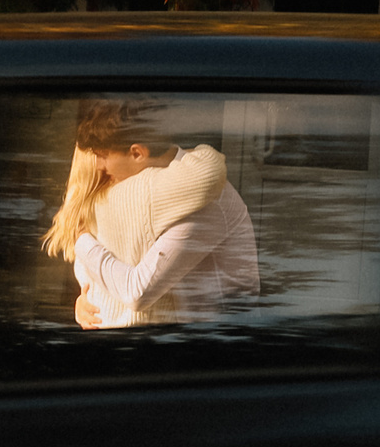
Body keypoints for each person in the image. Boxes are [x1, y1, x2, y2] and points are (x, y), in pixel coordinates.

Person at [40, 101, 258, 326]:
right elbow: (105, 256)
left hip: (214, 344)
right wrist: (87, 297)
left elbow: (137, 293)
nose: (99, 166)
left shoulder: (199, 197)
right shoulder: (136, 192)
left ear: (136, 153)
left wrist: (81, 239)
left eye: (103, 155)